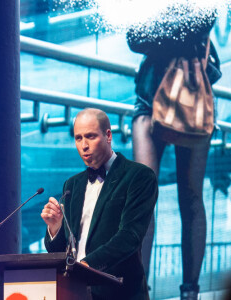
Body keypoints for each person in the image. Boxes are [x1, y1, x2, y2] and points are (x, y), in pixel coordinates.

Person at [127, 9, 222, 300]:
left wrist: (157, 31)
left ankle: (189, 292)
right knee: (142, 197)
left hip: (192, 99)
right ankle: (137, 288)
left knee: (191, 196)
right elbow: (134, 38)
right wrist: (167, 32)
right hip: (148, 99)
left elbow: (198, 25)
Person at [41, 108, 158, 300]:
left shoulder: (139, 176)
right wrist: (55, 228)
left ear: (108, 135)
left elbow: (130, 237)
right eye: (78, 138)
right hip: (74, 292)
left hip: (119, 293)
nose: (84, 145)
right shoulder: (72, 184)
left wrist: (86, 266)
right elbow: (61, 251)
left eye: (90, 136)